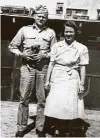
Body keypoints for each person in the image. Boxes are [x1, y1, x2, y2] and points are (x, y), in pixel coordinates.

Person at [8, 5, 56, 137]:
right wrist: (22, 55)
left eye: (44, 17)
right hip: (27, 67)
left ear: (47, 19)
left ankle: (40, 129)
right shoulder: (24, 30)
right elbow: (12, 46)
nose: (41, 18)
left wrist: (45, 55)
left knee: (42, 99)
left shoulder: (51, 33)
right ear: (34, 16)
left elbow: (55, 52)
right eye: (39, 16)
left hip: (42, 69)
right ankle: (21, 128)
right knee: (24, 98)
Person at [44, 21, 89, 136]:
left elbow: (83, 67)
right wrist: (47, 81)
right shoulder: (56, 46)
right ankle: (57, 128)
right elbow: (51, 64)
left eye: (71, 32)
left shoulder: (81, 48)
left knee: (70, 105)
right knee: (57, 104)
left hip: (72, 78)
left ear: (75, 33)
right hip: (57, 77)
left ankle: (68, 129)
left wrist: (81, 84)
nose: (68, 34)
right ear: (63, 33)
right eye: (66, 31)